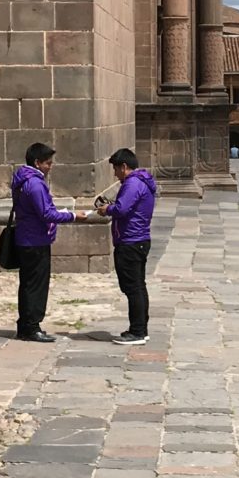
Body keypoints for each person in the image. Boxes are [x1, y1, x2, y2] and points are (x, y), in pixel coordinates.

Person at [10, 142, 85, 342]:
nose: (50, 167)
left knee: (28, 284)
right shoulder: (34, 183)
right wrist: (72, 216)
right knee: (36, 285)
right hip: (35, 240)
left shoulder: (23, 180)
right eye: (48, 163)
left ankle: (26, 324)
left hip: (28, 237)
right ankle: (31, 326)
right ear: (37, 162)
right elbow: (46, 213)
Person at [98, 148, 156, 346]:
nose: (115, 174)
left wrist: (107, 209)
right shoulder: (141, 182)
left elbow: (122, 209)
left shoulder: (132, 183)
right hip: (138, 239)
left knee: (133, 287)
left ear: (124, 167)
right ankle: (140, 328)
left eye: (116, 169)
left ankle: (138, 331)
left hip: (131, 241)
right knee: (138, 286)